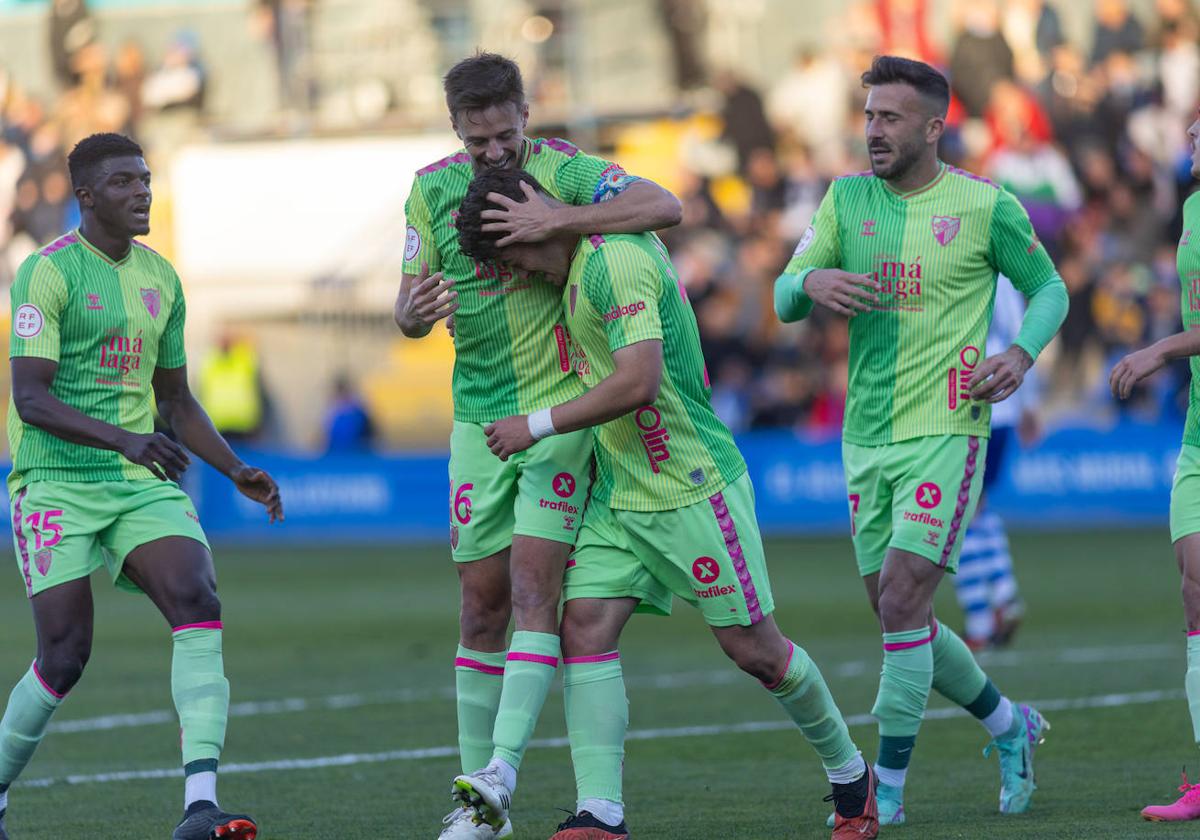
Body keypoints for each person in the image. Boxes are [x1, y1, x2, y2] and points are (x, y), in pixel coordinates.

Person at [454, 166, 879, 840]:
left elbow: (640, 382)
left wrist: (533, 425)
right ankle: (602, 812)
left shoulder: (612, 262)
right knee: (583, 627)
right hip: (624, 489)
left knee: (754, 650)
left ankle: (852, 773)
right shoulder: (575, 266)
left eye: (515, 258)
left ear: (537, 217)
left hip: (691, 485)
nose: (522, 274)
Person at [390, 53, 682, 840]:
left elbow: (665, 203)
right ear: (456, 128)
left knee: (531, 589)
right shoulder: (429, 189)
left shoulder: (566, 169)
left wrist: (558, 219)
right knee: (478, 604)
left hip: (559, 413)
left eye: (504, 133)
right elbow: (409, 310)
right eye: (476, 139)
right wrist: (414, 314)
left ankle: (498, 781)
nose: (492, 151)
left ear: (526, 112)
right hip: (475, 421)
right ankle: (476, 803)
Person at [773, 55, 1068, 826]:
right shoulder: (844, 201)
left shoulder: (984, 205)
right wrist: (811, 283)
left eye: (890, 118)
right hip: (865, 436)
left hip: (950, 425)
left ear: (934, 127)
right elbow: (781, 294)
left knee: (905, 598)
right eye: (868, 115)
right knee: (900, 617)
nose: (873, 130)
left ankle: (885, 794)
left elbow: (1049, 289)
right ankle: (1010, 726)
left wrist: (1018, 355)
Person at [0, 133, 282, 840]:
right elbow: (30, 399)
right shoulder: (47, 273)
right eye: (124, 182)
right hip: (54, 481)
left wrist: (234, 467)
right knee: (63, 656)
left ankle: (200, 805)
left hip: (136, 478)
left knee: (197, 597)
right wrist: (128, 436)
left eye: (146, 179)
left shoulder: (163, 279)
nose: (142, 192)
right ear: (86, 196)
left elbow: (178, 402)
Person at [1111, 109, 1200, 823]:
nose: (1194, 137)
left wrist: (1157, 351)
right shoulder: (1193, 211)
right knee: (1194, 589)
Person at [954, 276, 1036, 650]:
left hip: (971, 403)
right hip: (1004, 404)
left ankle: (981, 620)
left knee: (955, 513)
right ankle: (1004, 596)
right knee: (976, 506)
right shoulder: (1004, 273)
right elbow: (1021, 333)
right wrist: (1028, 405)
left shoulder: (965, 261)